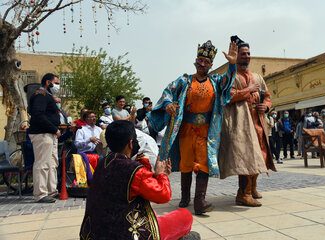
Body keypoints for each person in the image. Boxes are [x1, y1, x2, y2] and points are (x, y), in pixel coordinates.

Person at [148, 40, 238, 215]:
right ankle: (184, 197)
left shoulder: (216, 81)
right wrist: (167, 104)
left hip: (207, 131)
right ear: (196, 61)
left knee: (203, 163)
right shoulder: (185, 80)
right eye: (200, 60)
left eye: (206, 62)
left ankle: (200, 200)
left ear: (211, 65)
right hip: (186, 129)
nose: (202, 64)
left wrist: (232, 65)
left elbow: (228, 83)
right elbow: (168, 91)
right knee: (186, 164)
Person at [79, 120, 197, 240]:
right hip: (123, 233)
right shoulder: (133, 169)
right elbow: (163, 195)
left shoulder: (102, 163)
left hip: (93, 233)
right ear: (131, 143)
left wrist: (154, 175)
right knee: (185, 216)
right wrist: (162, 175)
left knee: (154, 215)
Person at [218, 36, 276, 207]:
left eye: (248, 53)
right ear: (237, 56)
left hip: (258, 123)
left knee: (261, 156)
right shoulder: (231, 77)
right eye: (243, 54)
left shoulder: (258, 77)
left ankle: (253, 186)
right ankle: (243, 193)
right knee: (246, 159)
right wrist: (248, 90)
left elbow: (267, 96)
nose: (246, 56)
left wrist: (265, 107)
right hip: (241, 125)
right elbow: (226, 96)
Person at [28, 73, 61, 203]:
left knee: (52, 163)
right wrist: (54, 129)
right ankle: (40, 194)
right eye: (56, 83)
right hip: (42, 134)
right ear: (48, 82)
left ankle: (51, 191)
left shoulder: (48, 96)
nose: (57, 86)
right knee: (42, 164)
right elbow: (37, 114)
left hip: (50, 134)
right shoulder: (40, 96)